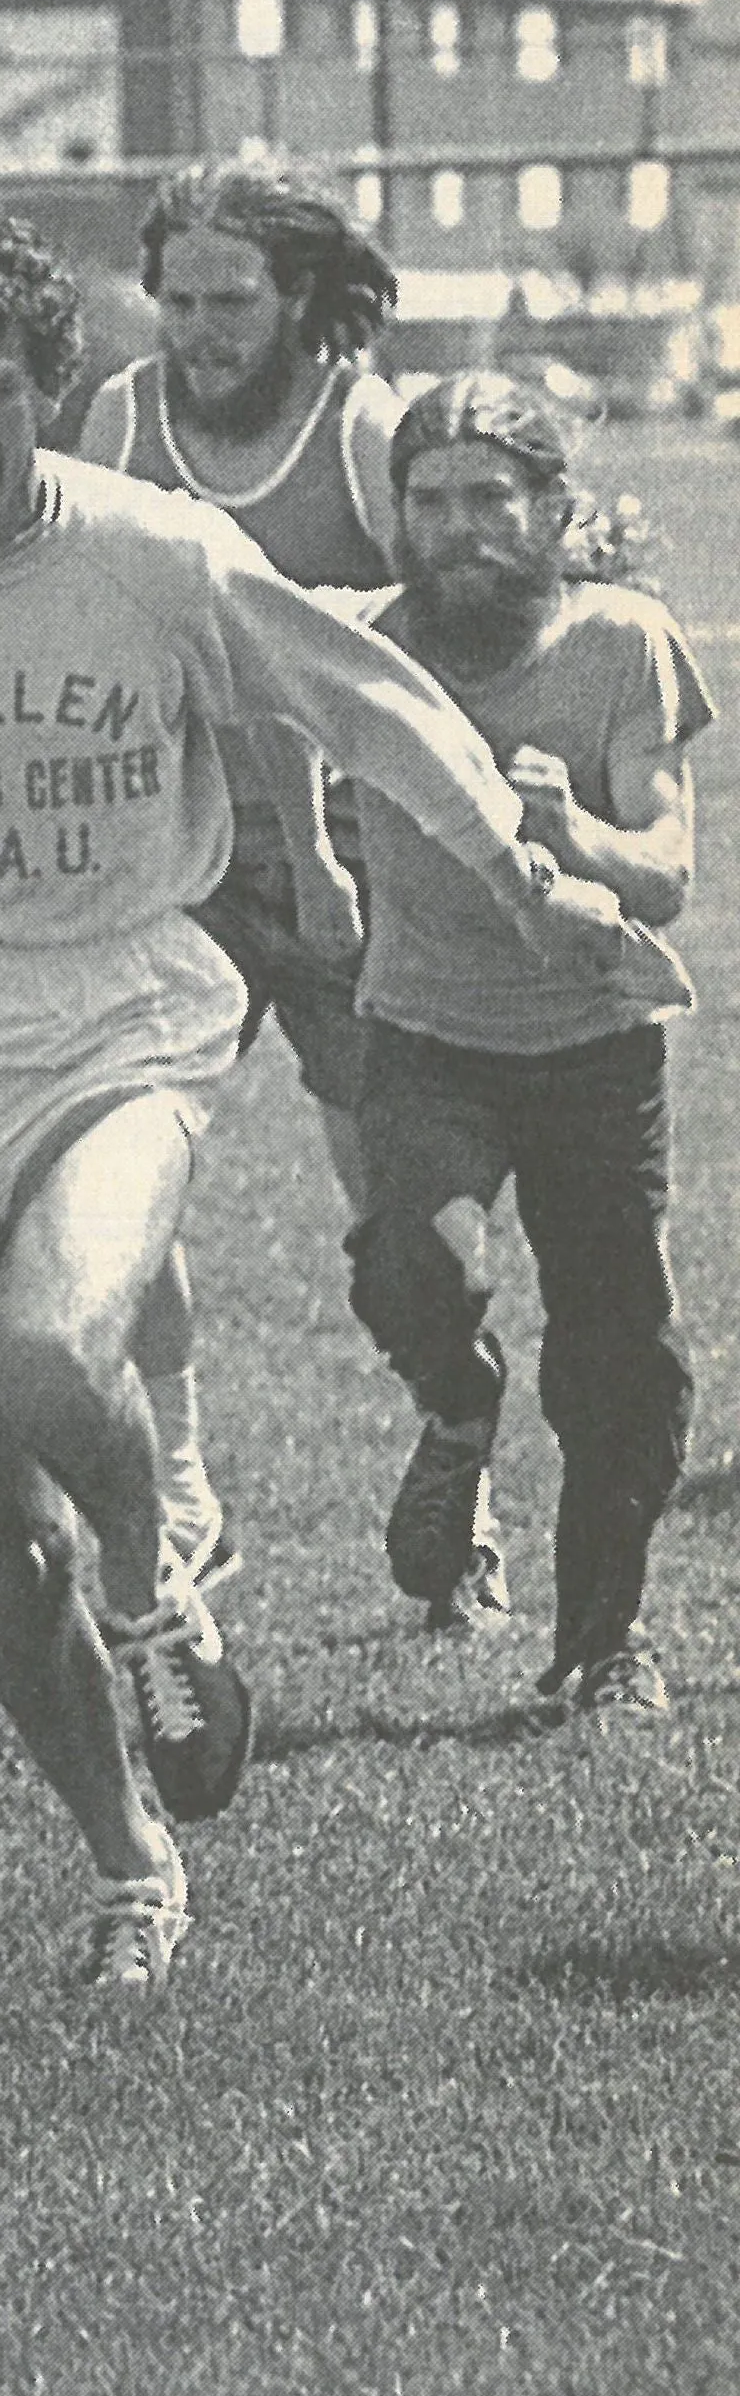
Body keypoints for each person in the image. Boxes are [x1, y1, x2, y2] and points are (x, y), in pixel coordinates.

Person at [0, 200, 637, 1995]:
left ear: (51, 386)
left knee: (53, 1356)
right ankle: (132, 1865)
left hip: (119, 1003)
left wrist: (514, 869)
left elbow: (368, 699)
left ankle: (154, 1572)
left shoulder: (150, 547)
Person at [338, 372, 710, 1696]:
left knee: (618, 1348)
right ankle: (457, 1402)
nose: (458, 529)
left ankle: (604, 1650)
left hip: (595, 1046)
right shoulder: (362, 646)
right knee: (418, 1271)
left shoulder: (622, 640)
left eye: (490, 498)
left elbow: (664, 871)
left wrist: (571, 832)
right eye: (429, 503)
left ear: (552, 508)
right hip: (427, 1035)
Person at [80, 161, 403, 1585]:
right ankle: (187, 1494)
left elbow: (431, 650)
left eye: (231, 299)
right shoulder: (121, 421)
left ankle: (460, 1461)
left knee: (399, 1213)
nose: (199, 328)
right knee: (121, 1174)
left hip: (347, 857)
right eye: (178, 298)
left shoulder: (362, 429)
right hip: (177, 854)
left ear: (296, 297)